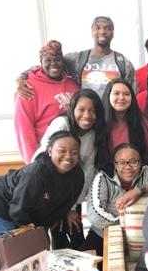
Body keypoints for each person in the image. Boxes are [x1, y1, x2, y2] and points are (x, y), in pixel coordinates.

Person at [33, 89, 109, 249]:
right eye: (81, 110)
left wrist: (71, 207)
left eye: (92, 111)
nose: (87, 116)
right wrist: (61, 208)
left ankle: (84, 269)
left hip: (74, 190)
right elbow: (43, 161)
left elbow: (88, 172)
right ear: (72, 109)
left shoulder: (95, 134)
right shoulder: (62, 124)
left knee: (75, 230)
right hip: (47, 188)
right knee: (57, 233)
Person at [17, 16, 136, 110]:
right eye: (98, 27)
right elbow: (48, 65)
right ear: (92, 32)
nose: (103, 31)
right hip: (87, 119)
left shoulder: (124, 63)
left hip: (113, 121)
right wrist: (20, 79)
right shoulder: (77, 59)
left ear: (113, 33)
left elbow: (132, 94)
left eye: (108, 28)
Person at [84, 143, 148, 256]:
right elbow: (95, 215)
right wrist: (128, 225)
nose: (128, 167)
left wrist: (140, 190)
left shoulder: (147, 172)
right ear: (115, 164)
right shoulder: (103, 177)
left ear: (140, 162)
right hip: (104, 236)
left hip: (144, 237)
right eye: (122, 163)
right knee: (87, 267)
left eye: (133, 162)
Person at [0, 131, 84, 235]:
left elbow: (64, 205)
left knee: (40, 246)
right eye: (62, 151)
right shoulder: (35, 174)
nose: (68, 156)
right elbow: (18, 210)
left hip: (25, 213)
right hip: (1, 206)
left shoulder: (78, 175)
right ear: (50, 151)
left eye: (74, 152)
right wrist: (34, 232)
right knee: (15, 247)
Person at [14, 40, 79, 163]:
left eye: (57, 59)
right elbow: (24, 129)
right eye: (48, 60)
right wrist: (33, 163)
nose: (53, 64)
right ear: (41, 62)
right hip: (45, 157)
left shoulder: (73, 84)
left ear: (63, 61)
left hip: (72, 156)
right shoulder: (27, 88)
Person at [104, 78, 148, 165]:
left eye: (126, 94)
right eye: (116, 93)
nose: (121, 98)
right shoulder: (100, 122)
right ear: (108, 95)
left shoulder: (142, 122)